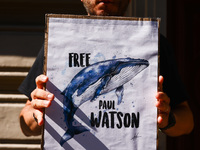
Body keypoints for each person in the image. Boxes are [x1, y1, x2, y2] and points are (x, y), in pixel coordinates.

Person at [19, 0, 194, 138]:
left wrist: (167, 119)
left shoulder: (154, 44)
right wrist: (37, 112)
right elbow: (26, 124)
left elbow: (187, 120)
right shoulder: (59, 42)